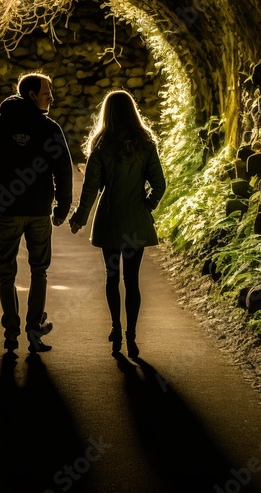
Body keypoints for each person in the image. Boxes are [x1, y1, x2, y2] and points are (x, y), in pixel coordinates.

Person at [0, 73, 73, 354]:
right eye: (46, 93)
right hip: (39, 212)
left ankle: (11, 331)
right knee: (39, 270)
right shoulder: (50, 129)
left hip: (8, 211)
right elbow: (63, 171)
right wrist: (62, 208)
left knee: (6, 272)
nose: (51, 97)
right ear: (30, 95)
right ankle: (34, 329)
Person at [68, 90, 166, 357]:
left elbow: (90, 189)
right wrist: (146, 206)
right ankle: (132, 335)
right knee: (132, 280)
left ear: (107, 113)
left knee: (112, 278)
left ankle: (115, 328)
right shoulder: (146, 143)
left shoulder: (101, 145)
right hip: (136, 222)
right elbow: (159, 184)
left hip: (109, 220)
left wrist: (79, 218)